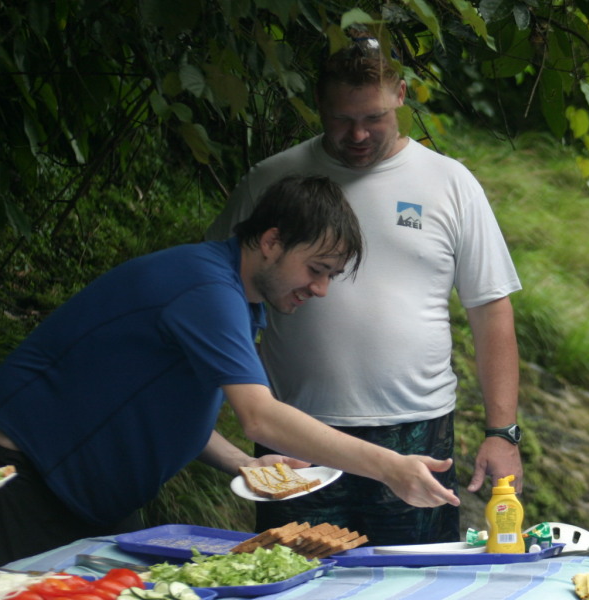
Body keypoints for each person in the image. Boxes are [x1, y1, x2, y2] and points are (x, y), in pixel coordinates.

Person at [0, 175, 460, 565]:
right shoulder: (206, 288)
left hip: (81, 493)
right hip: (21, 476)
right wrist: (390, 467)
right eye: (316, 269)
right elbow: (261, 417)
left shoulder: (235, 296)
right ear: (272, 242)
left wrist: (245, 464)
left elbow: (168, 404)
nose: (320, 290)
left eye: (330, 276)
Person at [207, 40, 523, 545]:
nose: (357, 134)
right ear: (318, 106)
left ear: (401, 94)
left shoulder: (449, 182)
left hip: (416, 427)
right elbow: (218, 288)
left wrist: (501, 432)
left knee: (415, 577)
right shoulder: (271, 179)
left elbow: (491, 311)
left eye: (372, 117)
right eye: (340, 119)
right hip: (297, 430)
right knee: (298, 577)